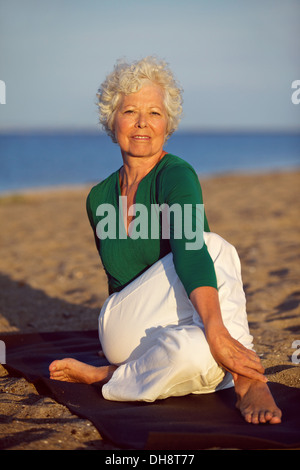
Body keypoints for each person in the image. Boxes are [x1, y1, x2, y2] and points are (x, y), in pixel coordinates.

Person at [49, 56, 281, 424]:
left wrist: (212, 333)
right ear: (112, 120)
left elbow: (188, 254)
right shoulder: (98, 197)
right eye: (130, 111)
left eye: (154, 112)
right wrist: (219, 330)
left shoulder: (176, 175)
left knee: (194, 355)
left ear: (167, 125)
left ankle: (108, 376)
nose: (142, 122)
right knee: (216, 246)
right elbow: (123, 275)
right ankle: (248, 377)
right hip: (122, 322)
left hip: (168, 327)